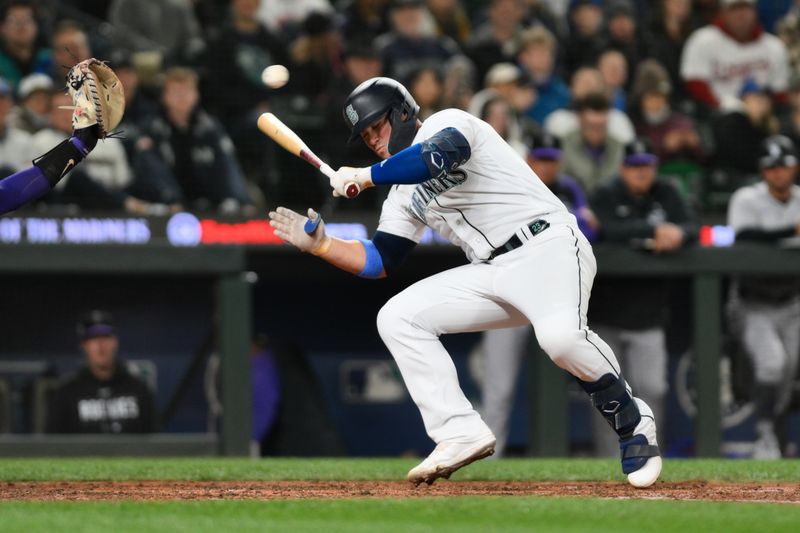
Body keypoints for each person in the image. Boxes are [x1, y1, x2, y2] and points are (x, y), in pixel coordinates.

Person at [268, 76, 662, 487]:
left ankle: (633, 420)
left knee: (560, 340)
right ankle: (458, 431)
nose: (373, 139)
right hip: (492, 270)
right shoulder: (400, 190)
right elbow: (380, 259)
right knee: (399, 316)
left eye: (377, 126)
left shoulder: (449, 124)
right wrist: (323, 245)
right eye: (365, 136)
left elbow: (434, 159)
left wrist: (365, 176)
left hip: (548, 246)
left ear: (403, 113)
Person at [478, 130, 598, 457]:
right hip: (510, 288)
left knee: (580, 370)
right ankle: (488, 460)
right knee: (499, 386)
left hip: (552, 292)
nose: (546, 167)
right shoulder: (509, 180)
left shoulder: (569, 188)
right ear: (529, 159)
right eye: (541, 159)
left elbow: (589, 229)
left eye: (551, 160)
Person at [588, 138, 698, 457]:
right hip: (606, 313)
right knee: (608, 394)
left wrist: (680, 233)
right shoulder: (606, 192)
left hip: (649, 314)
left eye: (646, 166)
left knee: (653, 389)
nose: (641, 172)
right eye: (634, 166)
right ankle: (607, 463)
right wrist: (652, 231)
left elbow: (692, 224)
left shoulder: (667, 192)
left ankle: (649, 457)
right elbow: (605, 228)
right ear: (623, 168)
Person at [727, 135, 800, 458]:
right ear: (762, 171)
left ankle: (777, 434)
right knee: (772, 364)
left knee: (788, 373)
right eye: (771, 168)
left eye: (783, 166)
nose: (778, 173)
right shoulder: (746, 198)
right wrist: (792, 232)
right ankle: (765, 434)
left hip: (792, 301)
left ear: (794, 166)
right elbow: (743, 235)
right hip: (753, 301)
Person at [46, 310, 156, 434]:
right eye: (93, 338)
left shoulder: (138, 390)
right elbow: (53, 446)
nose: (100, 345)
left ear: (115, 342)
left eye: (106, 337)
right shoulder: (67, 393)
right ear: (84, 346)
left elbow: (153, 442)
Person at [680, 0, 789, 110]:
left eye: (746, 8)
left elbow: (780, 92)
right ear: (723, 12)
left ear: (755, 11)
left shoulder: (773, 45)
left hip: (764, 113)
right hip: (716, 113)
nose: (741, 15)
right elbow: (695, 84)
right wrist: (731, 108)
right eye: (734, 9)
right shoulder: (703, 40)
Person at [559, 92, 626, 194]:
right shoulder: (564, 145)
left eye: (601, 127)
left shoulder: (618, 147)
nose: (596, 132)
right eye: (591, 126)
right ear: (580, 120)